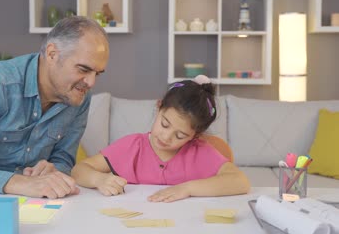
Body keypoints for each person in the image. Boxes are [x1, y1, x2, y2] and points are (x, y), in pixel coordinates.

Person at [0, 16, 109, 199]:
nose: (91, 82)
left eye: (97, 73)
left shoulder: (79, 97)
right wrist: (20, 182)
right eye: (83, 69)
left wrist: (53, 170)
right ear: (52, 54)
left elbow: (64, 160)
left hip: (34, 205)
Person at [71, 75, 251, 202]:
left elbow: (240, 182)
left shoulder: (200, 151)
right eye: (165, 124)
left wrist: (186, 189)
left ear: (194, 136)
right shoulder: (132, 146)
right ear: (159, 107)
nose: (166, 137)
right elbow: (79, 170)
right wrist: (99, 180)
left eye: (180, 135)